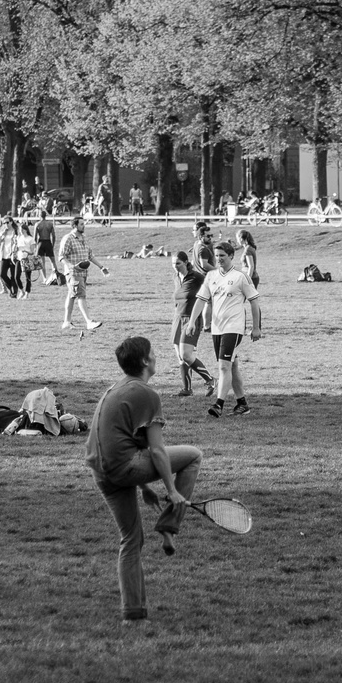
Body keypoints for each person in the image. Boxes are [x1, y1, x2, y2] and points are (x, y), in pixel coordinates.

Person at [86, 335, 203, 620]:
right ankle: (169, 524)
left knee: (131, 540)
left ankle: (133, 614)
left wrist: (144, 486)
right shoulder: (146, 394)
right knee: (193, 456)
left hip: (102, 473)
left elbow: (121, 442)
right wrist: (172, 491)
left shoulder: (114, 388)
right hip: (123, 468)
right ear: (143, 362)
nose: (156, 356)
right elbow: (157, 450)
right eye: (152, 353)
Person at [190, 241, 262, 418]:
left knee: (223, 366)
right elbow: (201, 299)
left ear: (231, 256)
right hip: (217, 328)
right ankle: (242, 404)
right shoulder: (211, 276)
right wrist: (192, 321)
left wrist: (256, 327)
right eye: (217, 256)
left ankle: (218, 405)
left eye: (223, 255)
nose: (219, 259)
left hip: (234, 327)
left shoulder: (241, 277)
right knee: (232, 365)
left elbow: (254, 302)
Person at [170, 251, 216, 397]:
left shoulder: (196, 277)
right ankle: (187, 389)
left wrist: (211, 306)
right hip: (178, 318)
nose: (175, 266)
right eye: (172, 264)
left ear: (185, 262)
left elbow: (212, 286)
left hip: (192, 319)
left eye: (178, 263)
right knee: (180, 356)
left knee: (186, 355)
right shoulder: (177, 277)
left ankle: (210, 380)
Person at [56, 216, 109, 330]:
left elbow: (90, 255)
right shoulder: (68, 238)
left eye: (83, 223)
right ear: (74, 226)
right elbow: (61, 256)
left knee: (71, 296)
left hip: (83, 273)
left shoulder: (83, 238)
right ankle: (89, 322)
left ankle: (66, 322)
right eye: (81, 224)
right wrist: (70, 266)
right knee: (81, 296)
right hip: (73, 273)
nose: (83, 226)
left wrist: (101, 267)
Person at [33, 211, 60, 284]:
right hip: (48, 242)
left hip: (41, 242)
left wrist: (35, 246)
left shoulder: (37, 224)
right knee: (53, 261)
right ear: (46, 216)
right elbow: (53, 236)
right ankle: (56, 277)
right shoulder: (50, 224)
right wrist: (52, 244)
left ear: (39, 215)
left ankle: (44, 279)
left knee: (42, 262)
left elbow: (34, 237)